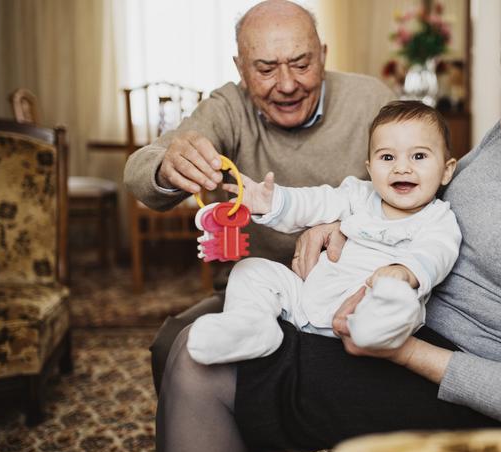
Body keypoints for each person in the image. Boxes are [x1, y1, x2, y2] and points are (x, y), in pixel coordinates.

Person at [155, 0, 501, 452]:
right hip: (389, 313)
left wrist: (404, 352)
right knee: (195, 335)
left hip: (457, 384)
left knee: (202, 368)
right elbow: (428, 203)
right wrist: (342, 222)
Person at [122, 0, 396, 391]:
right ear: (240, 69)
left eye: (302, 64)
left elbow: (425, 183)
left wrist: (348, 225)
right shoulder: (228, 107)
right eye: (265, 69)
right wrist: (168, 166)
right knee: (173, 348)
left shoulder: (371, 100)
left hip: (352, 288)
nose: (286, 85)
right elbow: (140, 168)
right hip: (254, 293)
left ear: (323, 55)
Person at [187, 101, 460, 364]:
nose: (402, 167)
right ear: (370, 168)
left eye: (419, 156)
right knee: (251, 270)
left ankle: (373, 332)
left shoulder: (439, 219)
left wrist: (404, 271)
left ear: (446, 170)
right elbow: (315, 202)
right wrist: (271, 202)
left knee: (398, 302)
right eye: (387, 157)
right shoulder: (359, 194)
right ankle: (253, 327)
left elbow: (436, 253)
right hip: (308, 298)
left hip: (368, 306)